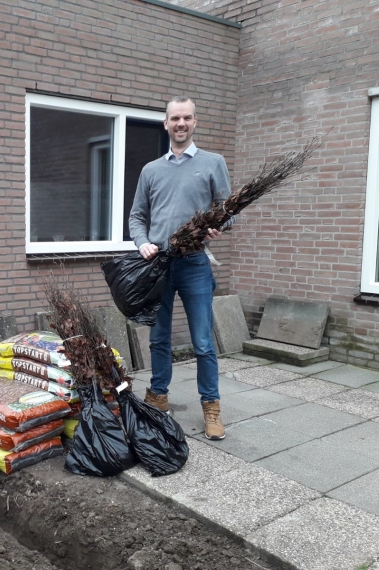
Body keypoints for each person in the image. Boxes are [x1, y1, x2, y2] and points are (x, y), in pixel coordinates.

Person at [128, 96, 232, 440]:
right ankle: (158, 397)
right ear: (166, 124)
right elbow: (137, 216)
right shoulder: (151, 170)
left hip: (194, 264)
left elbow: (228, 211)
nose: (181, 123)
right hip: (158, 265)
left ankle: (212, 408)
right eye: (175, 118)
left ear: (195, 122)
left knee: (203, 341)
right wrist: (141, 241)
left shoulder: (213, 163)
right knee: (159, 338)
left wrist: (221, 225)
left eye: (187, 118)